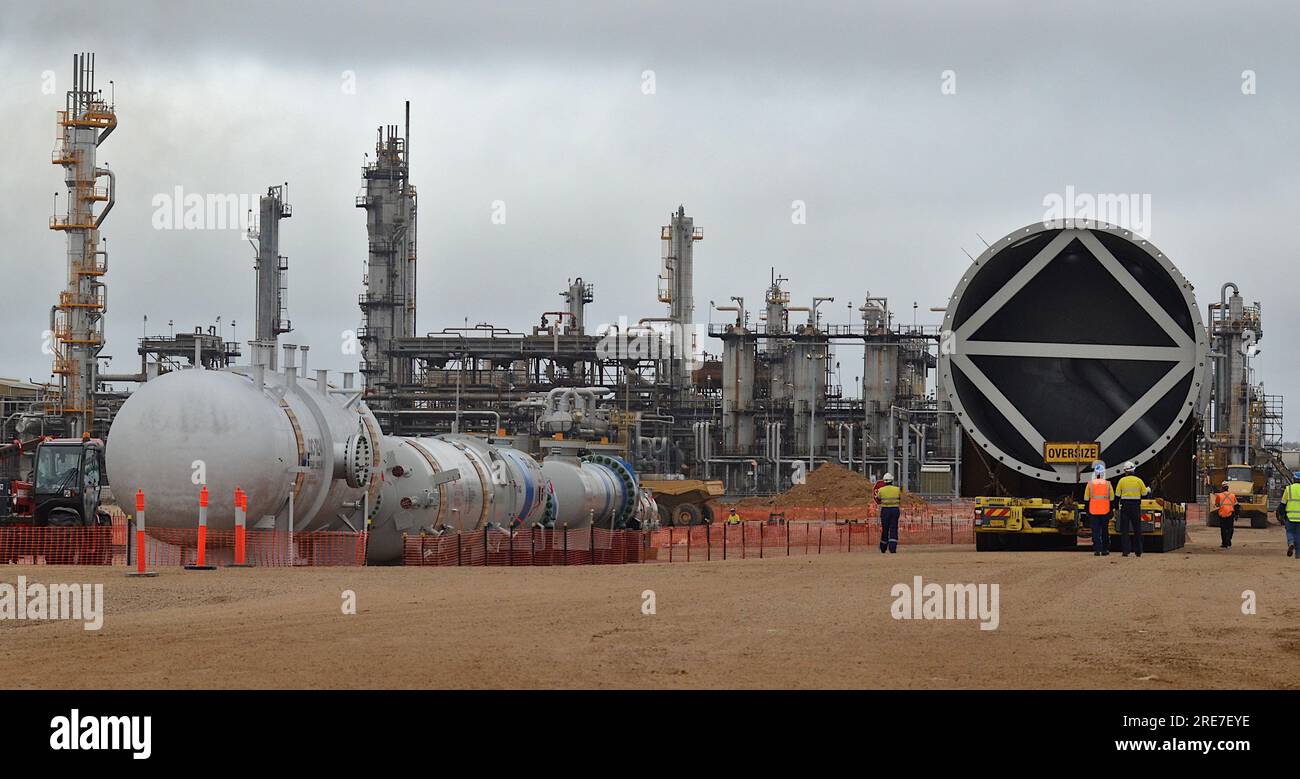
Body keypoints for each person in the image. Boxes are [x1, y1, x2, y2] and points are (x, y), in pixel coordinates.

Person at [1115, 461, 1150, 558]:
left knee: (1124, 529)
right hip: (1135, 506)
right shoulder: (1139, 481)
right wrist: (1147, 490)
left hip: (1125, 505)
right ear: (1133, 470)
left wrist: (1115, 507)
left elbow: (1117, 495)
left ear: (1125, 471)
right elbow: (1144, 494)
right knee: (1137, 529)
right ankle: (1138, 551)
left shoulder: (1122, 481)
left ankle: (1125, 551)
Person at [1083, 464, 1114, 556]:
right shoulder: (1108, 484)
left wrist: (1087, 510)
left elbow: (1086, 499)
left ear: (1095, 473)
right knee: (1105, 530)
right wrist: (1111, 510)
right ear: (1104, 473)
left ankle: (1097, 549)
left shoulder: (1090, 484)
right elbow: (1112, 499)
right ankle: (1105, 549)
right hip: (1105, 510)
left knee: (1095, 531)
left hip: (1093, 511)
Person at [875, 472, 901, 554]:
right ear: (892, 480)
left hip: (885, 510)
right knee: (893, 528)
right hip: (895, 510)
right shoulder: (897, 489)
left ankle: (883, 548)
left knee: (885, 529)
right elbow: (899, 498)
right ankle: (892, 548)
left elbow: (878, 499)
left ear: (884, 481)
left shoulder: (881, 490)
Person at [1211, 481, 1237, 549]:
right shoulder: (1232, 495)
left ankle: (1224, 543)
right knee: (1230, 528)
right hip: (1230, 513)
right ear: (1228, 488)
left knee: (1223, 529)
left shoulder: (1219, 495)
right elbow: (1235, 504)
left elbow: (1217, 504)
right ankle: (1228, 540)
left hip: (1222, 514)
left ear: (1222, 488)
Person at [1281, 481, 1300, 559]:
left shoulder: (1288, 489)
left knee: (1290, 532)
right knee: (1298, 535)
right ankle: (1298, 554)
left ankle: (1291, 542)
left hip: (1290, 516)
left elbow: (1283, 504)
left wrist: (1281, 515)